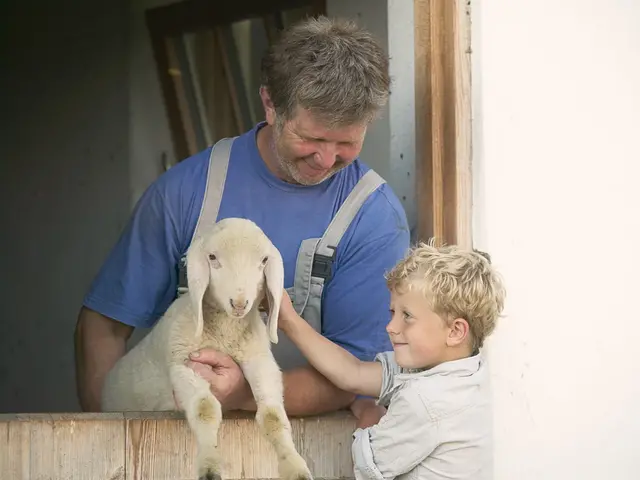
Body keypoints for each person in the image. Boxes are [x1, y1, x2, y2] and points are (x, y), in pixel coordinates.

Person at [73, 15, 410, 426]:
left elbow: (359, 375)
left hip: (303, 448)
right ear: (271, 105)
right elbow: (104, 327)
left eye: (346, 143)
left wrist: (246, 393)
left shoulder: (372, 216)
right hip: (179, 444)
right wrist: (103, 436)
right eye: (313, 139)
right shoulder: (185, 192)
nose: (326, 160)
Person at [276, 242, 507, 480]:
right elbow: (352, 372)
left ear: (455, 331)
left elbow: (368, 466)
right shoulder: (464, 372)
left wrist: (369, 413)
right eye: (392, 312)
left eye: (407, 316)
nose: (391, 327)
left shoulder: (426, 400)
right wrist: (289, 320)